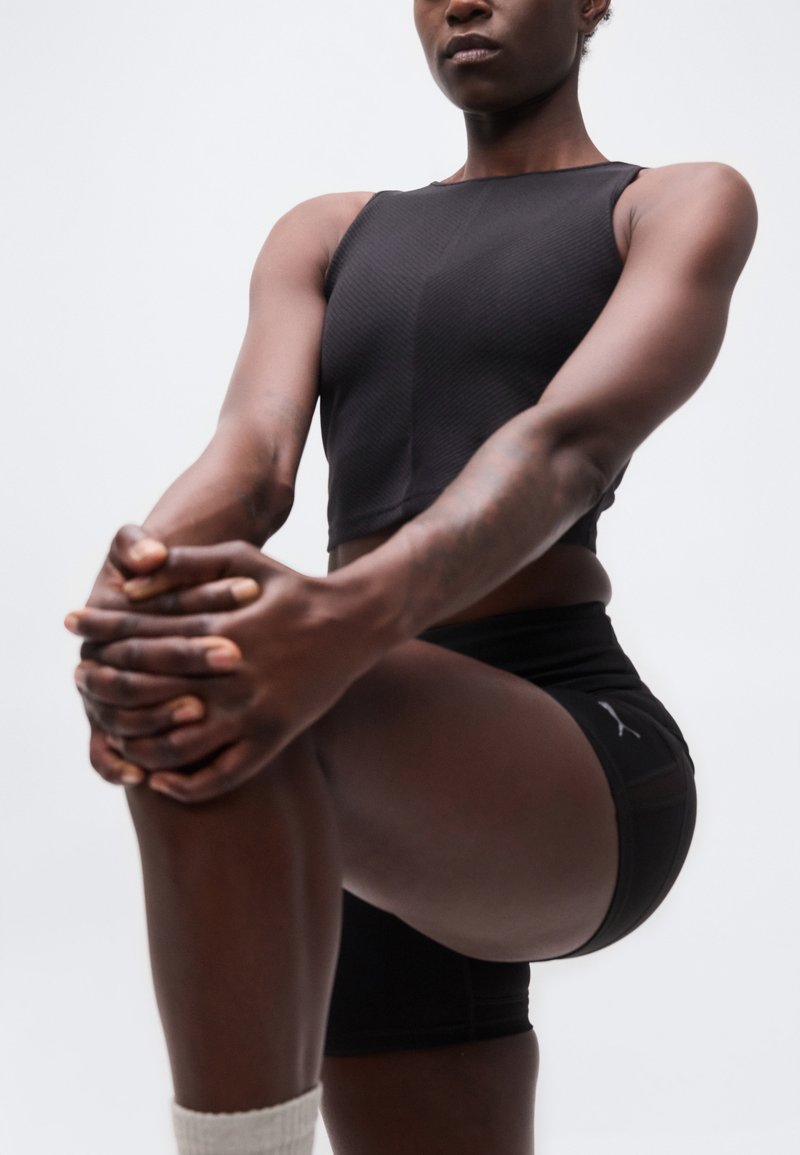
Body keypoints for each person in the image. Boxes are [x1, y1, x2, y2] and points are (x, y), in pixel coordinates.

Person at [65, 2, 757, 1152]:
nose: (462, 2)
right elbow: (250, 460)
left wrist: (340, 619)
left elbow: (564, 448)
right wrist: (131, 600)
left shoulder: (673, 201)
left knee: (222, 687)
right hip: (362, 786)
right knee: (194, 668)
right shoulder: (327, 232)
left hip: (572, 755)